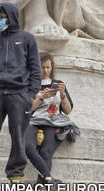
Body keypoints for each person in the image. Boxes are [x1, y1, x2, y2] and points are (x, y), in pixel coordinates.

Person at [0, 3, 40, 184]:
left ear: (11, 17)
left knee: (18, 135)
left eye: (1, 16)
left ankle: (15, 173)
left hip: (19, 94)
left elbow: (35, 68)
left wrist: (31, 94)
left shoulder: (27, 39)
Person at [24, 52, 71, 184]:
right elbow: (28, 109)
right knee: (27, 147)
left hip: (54, 122)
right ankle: (48, 178)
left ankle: (42, 182)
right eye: (42, 67)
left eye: (48, 67)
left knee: (46, 152)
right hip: (34, 121)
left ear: (52, 68)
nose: (45, 70)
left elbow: (67, 111)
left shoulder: (58, 83)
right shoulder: (30, 85)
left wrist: (62, 96)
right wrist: (41, 97)